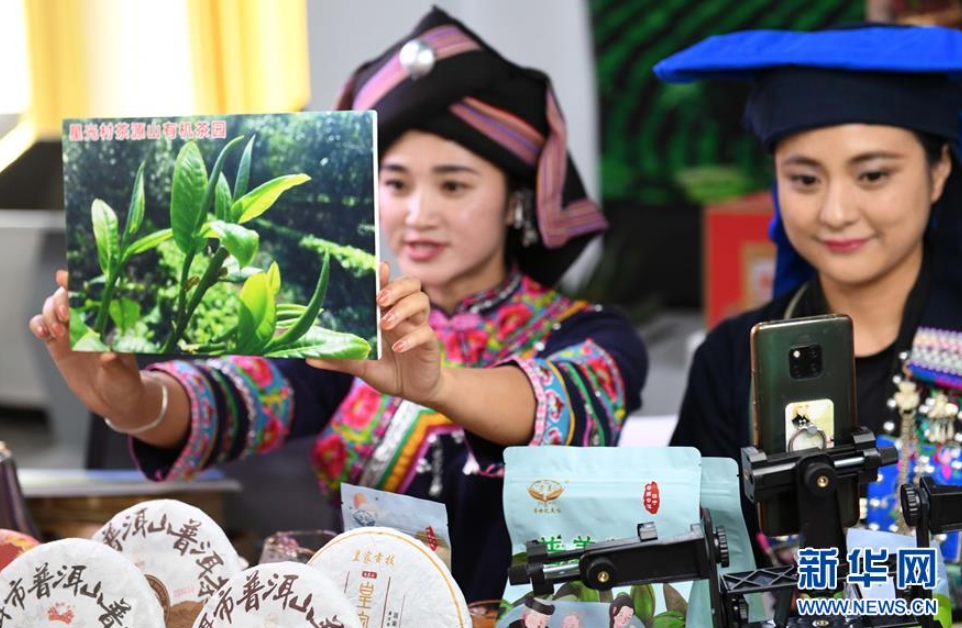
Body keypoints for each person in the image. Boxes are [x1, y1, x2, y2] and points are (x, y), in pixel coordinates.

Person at [30, 8, 648, 603]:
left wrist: (438, 385)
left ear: (517, 201)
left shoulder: (590, 335)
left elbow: (566, 407)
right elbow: (236, 397)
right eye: (396, 183)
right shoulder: (350, 326)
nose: (418, 214)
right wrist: (134, 404)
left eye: (453, 184)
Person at [655, 24, 962, 560]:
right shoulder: (732, 358)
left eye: (872, 176)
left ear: (939, 172)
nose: (835, 212)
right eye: (805, 180)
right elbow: (695, 561)